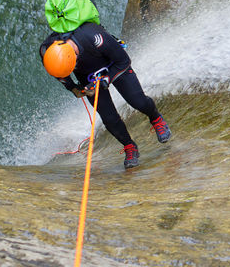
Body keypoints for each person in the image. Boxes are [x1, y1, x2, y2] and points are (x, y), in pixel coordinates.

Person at [40, 11, 171, 169]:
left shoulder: (95, 37)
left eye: (72, 67)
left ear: (73, 56)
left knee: (137, 101)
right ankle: (129, 146)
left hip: (113, 65)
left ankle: (156, 118)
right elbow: (60, 75)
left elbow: (124, 61)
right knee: (109, 119)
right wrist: (75, 88)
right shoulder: (47, 51)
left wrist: (106, 79)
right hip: (88, 78)